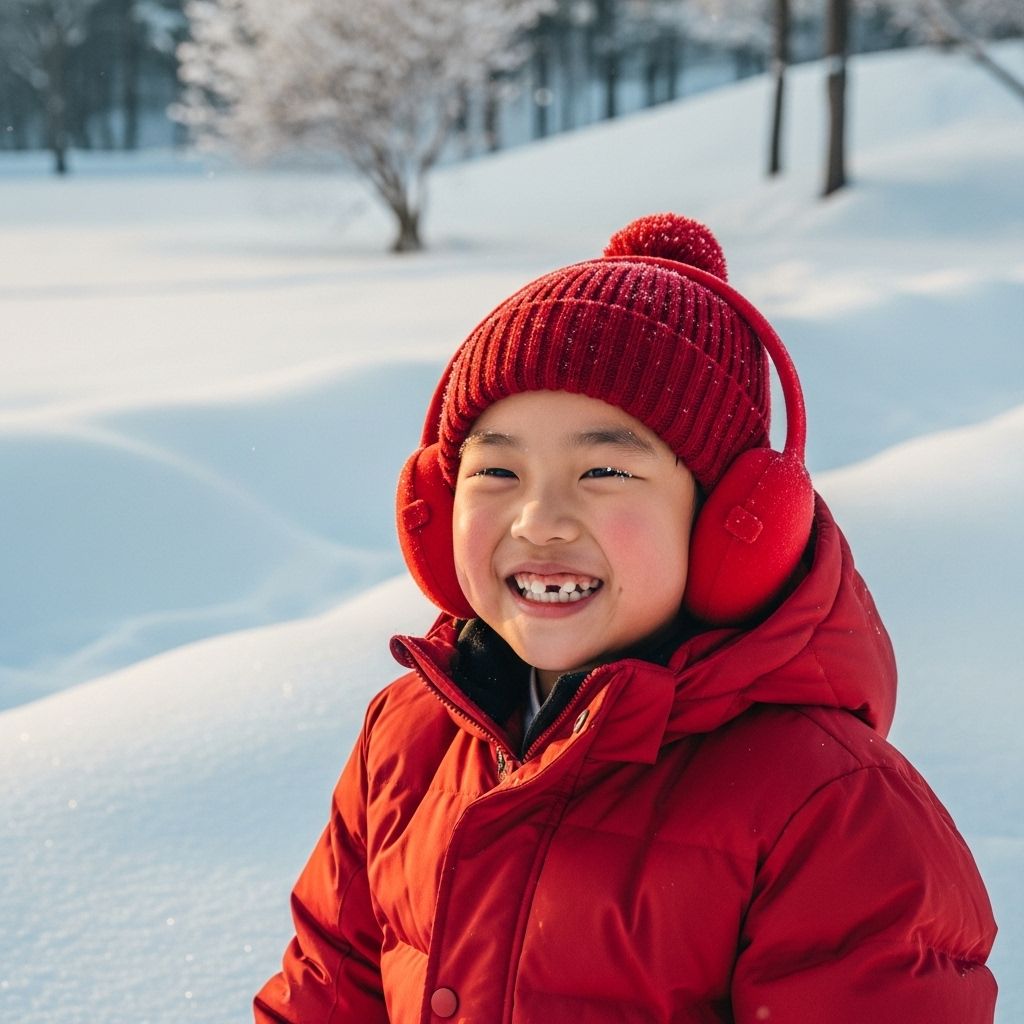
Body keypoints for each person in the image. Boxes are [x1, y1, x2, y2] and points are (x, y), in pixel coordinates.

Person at [254, 213, 997, 1023]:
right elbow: (328, 989)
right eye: (497, 468)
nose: (539, 520)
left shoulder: (830, 810)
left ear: (734, 524)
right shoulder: (407, 740)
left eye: (604, 469)